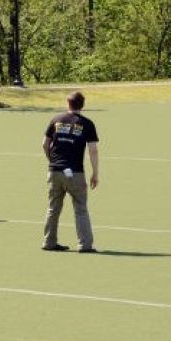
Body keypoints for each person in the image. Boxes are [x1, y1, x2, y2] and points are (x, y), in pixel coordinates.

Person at [42, 91, 100, 253]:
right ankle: (85, 244)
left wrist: (51, 161)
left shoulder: (56, 120)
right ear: (82, 105)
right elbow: (93, 150)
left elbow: (45, 144)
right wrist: (95, 173)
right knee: (80, 207)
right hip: (75, 172)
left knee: (53, 207)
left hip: (54, 171)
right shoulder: (87, 124)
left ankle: (49, 241)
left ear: (68, 104)